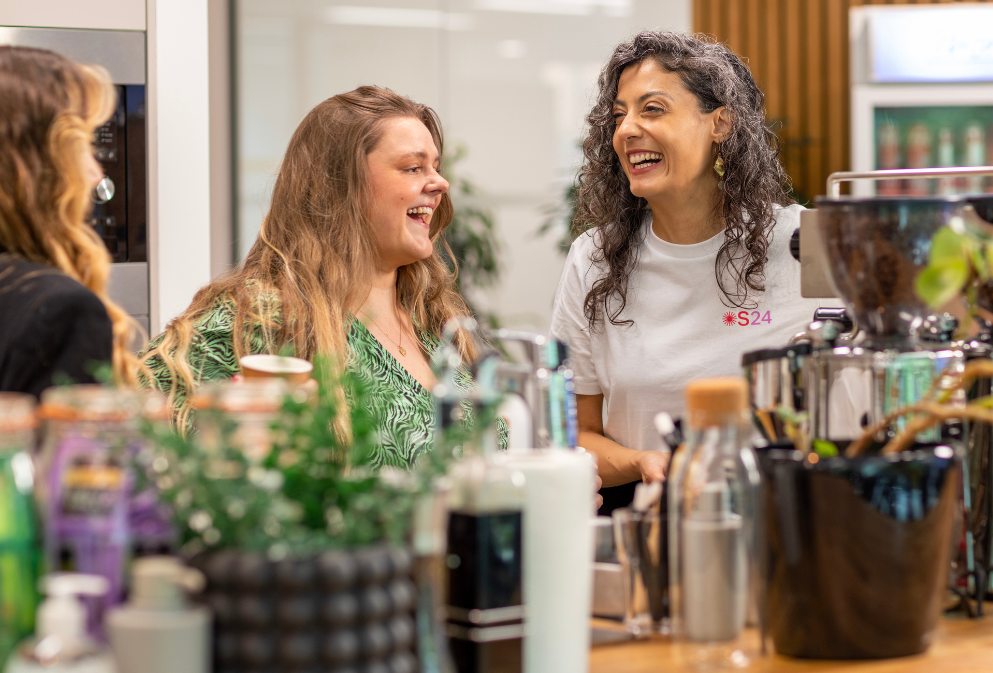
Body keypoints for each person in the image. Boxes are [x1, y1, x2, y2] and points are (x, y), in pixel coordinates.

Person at [550, 31, 833, 507]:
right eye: (619, 115)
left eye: (652, 109)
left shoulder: (804, 244)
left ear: (720, 123)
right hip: (647, 520)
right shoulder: (594, 259)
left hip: (786, 518)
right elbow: (575, 433)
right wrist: (644, 461)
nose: (627, 130)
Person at [144, 86, 492, 468]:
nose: (439, 183)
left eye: (436, 167)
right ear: (339, 186)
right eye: (413, 168)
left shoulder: (435, 319)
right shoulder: (260, 319)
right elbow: (140, 431)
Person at [0, 46, 141, 395]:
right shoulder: (60, 309)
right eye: (86, 146)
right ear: (33, 168)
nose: (96, 172)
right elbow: (75, 450)